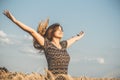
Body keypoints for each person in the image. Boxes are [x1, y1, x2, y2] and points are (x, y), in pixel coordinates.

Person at [3, 10, 85, 79]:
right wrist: (15, 20)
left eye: (62, 30)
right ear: (51, 32)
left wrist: (79, 36)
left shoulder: (63, 45)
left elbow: (74, 39)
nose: (61, 31)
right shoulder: (47, 44)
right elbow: (32, 31)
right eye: (58, 30)